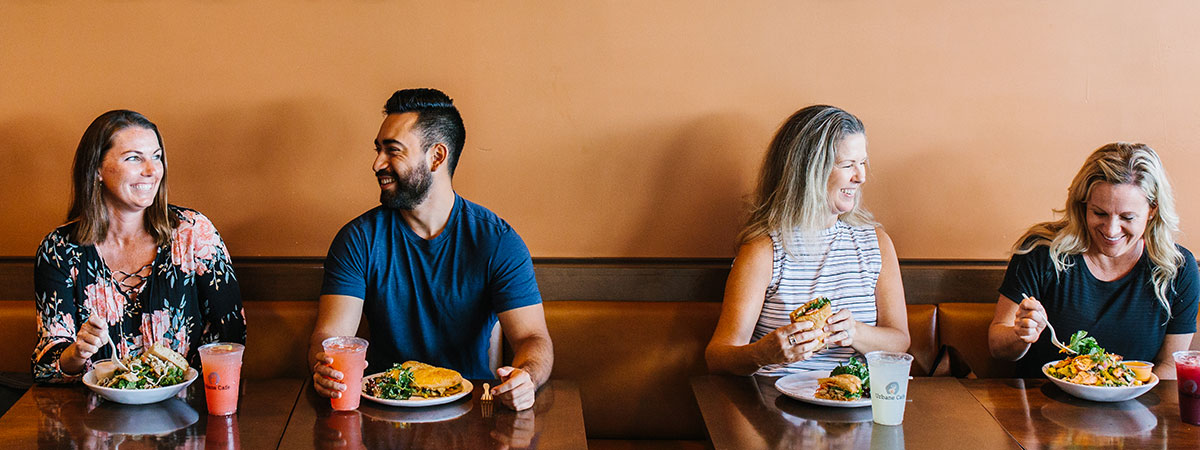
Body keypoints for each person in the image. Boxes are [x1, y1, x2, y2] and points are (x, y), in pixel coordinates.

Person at [309, 88, 553, 411]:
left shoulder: (498, 242)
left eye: (392, 151)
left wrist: (526, 377)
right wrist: (323, 366)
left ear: (437, 156)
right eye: (378, 150)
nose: (377, 163)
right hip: (382, 410)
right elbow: (329, 336)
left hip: (475, 411)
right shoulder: (357, 240)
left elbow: (534, 340)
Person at [32, 110, 246, 383]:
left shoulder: (193, 234)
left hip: (187, 411)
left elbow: (231, 338)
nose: (151, 170)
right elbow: (46, 367)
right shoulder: (59, 250)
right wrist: (77, 352)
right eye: (134, 158)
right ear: (96, 169)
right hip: (93, 416)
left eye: (156, 157)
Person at [706, 105, 910, 376]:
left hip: (855, 405)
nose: (860, 176)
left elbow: (900, 342)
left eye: (862, 163)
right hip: (776, 405)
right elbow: (717, 356)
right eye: (848, 164)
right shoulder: (764, 249)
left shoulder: (876, 243)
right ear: (810, 171)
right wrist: (763, 353)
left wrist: (855, 332)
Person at [988, 142, 1198, 379]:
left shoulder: (1178, 268)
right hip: (1041, 405)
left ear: (1152, 210)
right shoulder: (1041, 252)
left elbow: (1170, 366)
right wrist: (1020, 334)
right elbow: (997, 345)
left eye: (1127, 217)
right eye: (1099, 213)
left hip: (1134, 411)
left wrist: (1123, 395)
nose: (1111, 230)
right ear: (1083, 204)